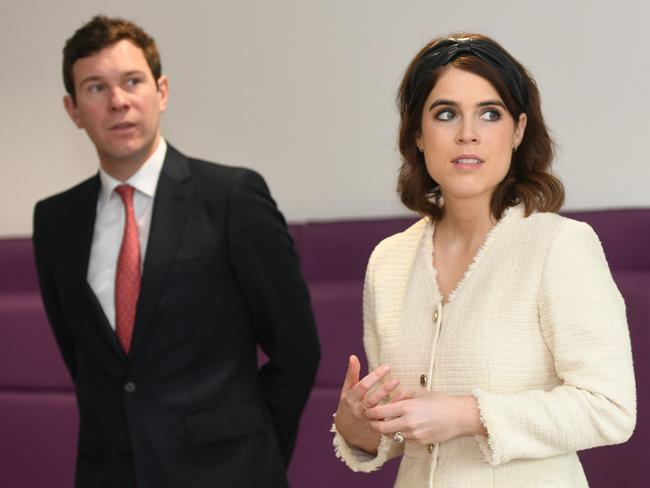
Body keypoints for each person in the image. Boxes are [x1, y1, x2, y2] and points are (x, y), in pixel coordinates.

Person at [332, 33, 636, 487]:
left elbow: (610, 409)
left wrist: (469, 413)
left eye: (489, 113)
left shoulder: (561, 245)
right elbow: (401, 431)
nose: (467, 133)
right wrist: (356, 426)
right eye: (446, 113)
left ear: (517, 131)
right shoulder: (388, 261)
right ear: (417, 132)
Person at [32, 15, 320, 488]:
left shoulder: (231, 196)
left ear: (161, 91)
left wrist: (255, 453)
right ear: (73, 109)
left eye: (131, 81)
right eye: (95, 88)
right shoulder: (55, 220)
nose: (118, 101)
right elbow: (85, 364)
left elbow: (298, 350)